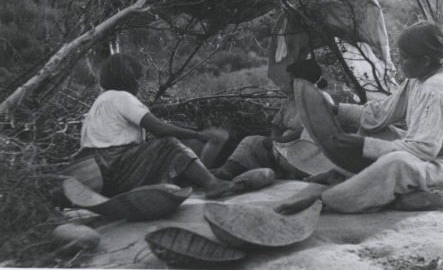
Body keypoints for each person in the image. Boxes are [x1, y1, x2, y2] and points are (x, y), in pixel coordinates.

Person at [275, 21, 443, 214]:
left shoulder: (436, 89)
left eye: (404, 58)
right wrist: (337, 110)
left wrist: (364, 145)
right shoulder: (418, 78)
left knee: (396, 164)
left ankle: (329, 200)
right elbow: (380, 115)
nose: (400, 63)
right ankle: (343, 177)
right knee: (375, 130)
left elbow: (424, 150)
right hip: (437, 156)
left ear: (424, 60)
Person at [79, 53, 234, 198]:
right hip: (115, 169)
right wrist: (199, 135)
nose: (140, 83)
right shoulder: (122, 97)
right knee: (169, 145)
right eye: (137, 78)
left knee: (165, 149)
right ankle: (212, 183)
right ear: (126, 78)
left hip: (99, 174)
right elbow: (159, 129)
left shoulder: (101, 101)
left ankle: (199, 177)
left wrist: (188, 130)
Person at [212, 59, 334, 180]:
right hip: (284, 148)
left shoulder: (321, 99)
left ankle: (286, 172)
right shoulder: (292, 99)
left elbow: (308, 131)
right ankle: (225, 171)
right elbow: (277, 124)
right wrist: (272, 141)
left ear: (302, 78)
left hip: (307, 152)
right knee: (252, 141)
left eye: (292, 78)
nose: (290, 81)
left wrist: (277, 142)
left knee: (269, 151)